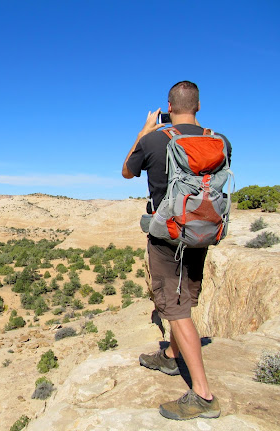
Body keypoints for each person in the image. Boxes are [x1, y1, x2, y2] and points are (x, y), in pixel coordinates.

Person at [122, 81, 231, 420]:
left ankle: (203, 395)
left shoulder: (155, 139)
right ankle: (171, 356)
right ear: (197, 106)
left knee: (174, 307)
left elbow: (127, 171)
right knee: (184, 295)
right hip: (202, 231)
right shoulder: (220, 141)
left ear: (168, 106)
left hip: (167, 235)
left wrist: (144, 131)